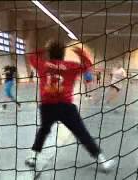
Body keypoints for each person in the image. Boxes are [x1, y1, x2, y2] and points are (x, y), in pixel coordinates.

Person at [25, 41, 115, 172]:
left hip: (47, 106)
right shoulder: (71, 66)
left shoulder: (42, 65)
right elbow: (88, 66)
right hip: (65, 106)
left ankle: (33, 157)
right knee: (82, 133)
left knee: (43, 130)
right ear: (63, 54)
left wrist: (43, 49)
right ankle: (103, 161)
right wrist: (81, 53)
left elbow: (31, 56)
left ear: (50, 54)